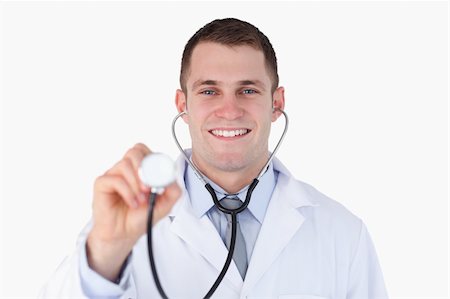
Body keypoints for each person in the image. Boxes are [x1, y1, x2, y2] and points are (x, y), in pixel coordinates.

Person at [39, 18, 388, 298]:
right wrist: (105, 253)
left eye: (248, 90)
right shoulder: (122, 228)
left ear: (276, 103)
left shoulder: (343, 234)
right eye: (209, 91)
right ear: (182, 105)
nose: (229, 110)